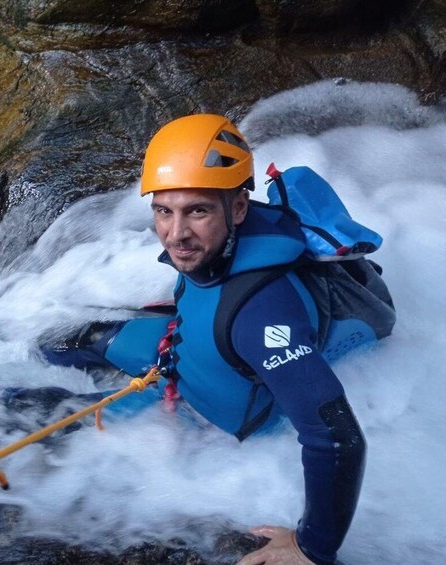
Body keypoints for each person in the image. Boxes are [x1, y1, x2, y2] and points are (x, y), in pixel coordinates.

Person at [138, 113, 393, 565]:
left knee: (53, 379)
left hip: (223, 413)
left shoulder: (259, 314)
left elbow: (336, 437)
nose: (175, 234)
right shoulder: (218, 244)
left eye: (197, 210)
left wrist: (312, 546)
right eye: (164, 211)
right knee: (68, 341)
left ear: (238, 207)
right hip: (199, 354)